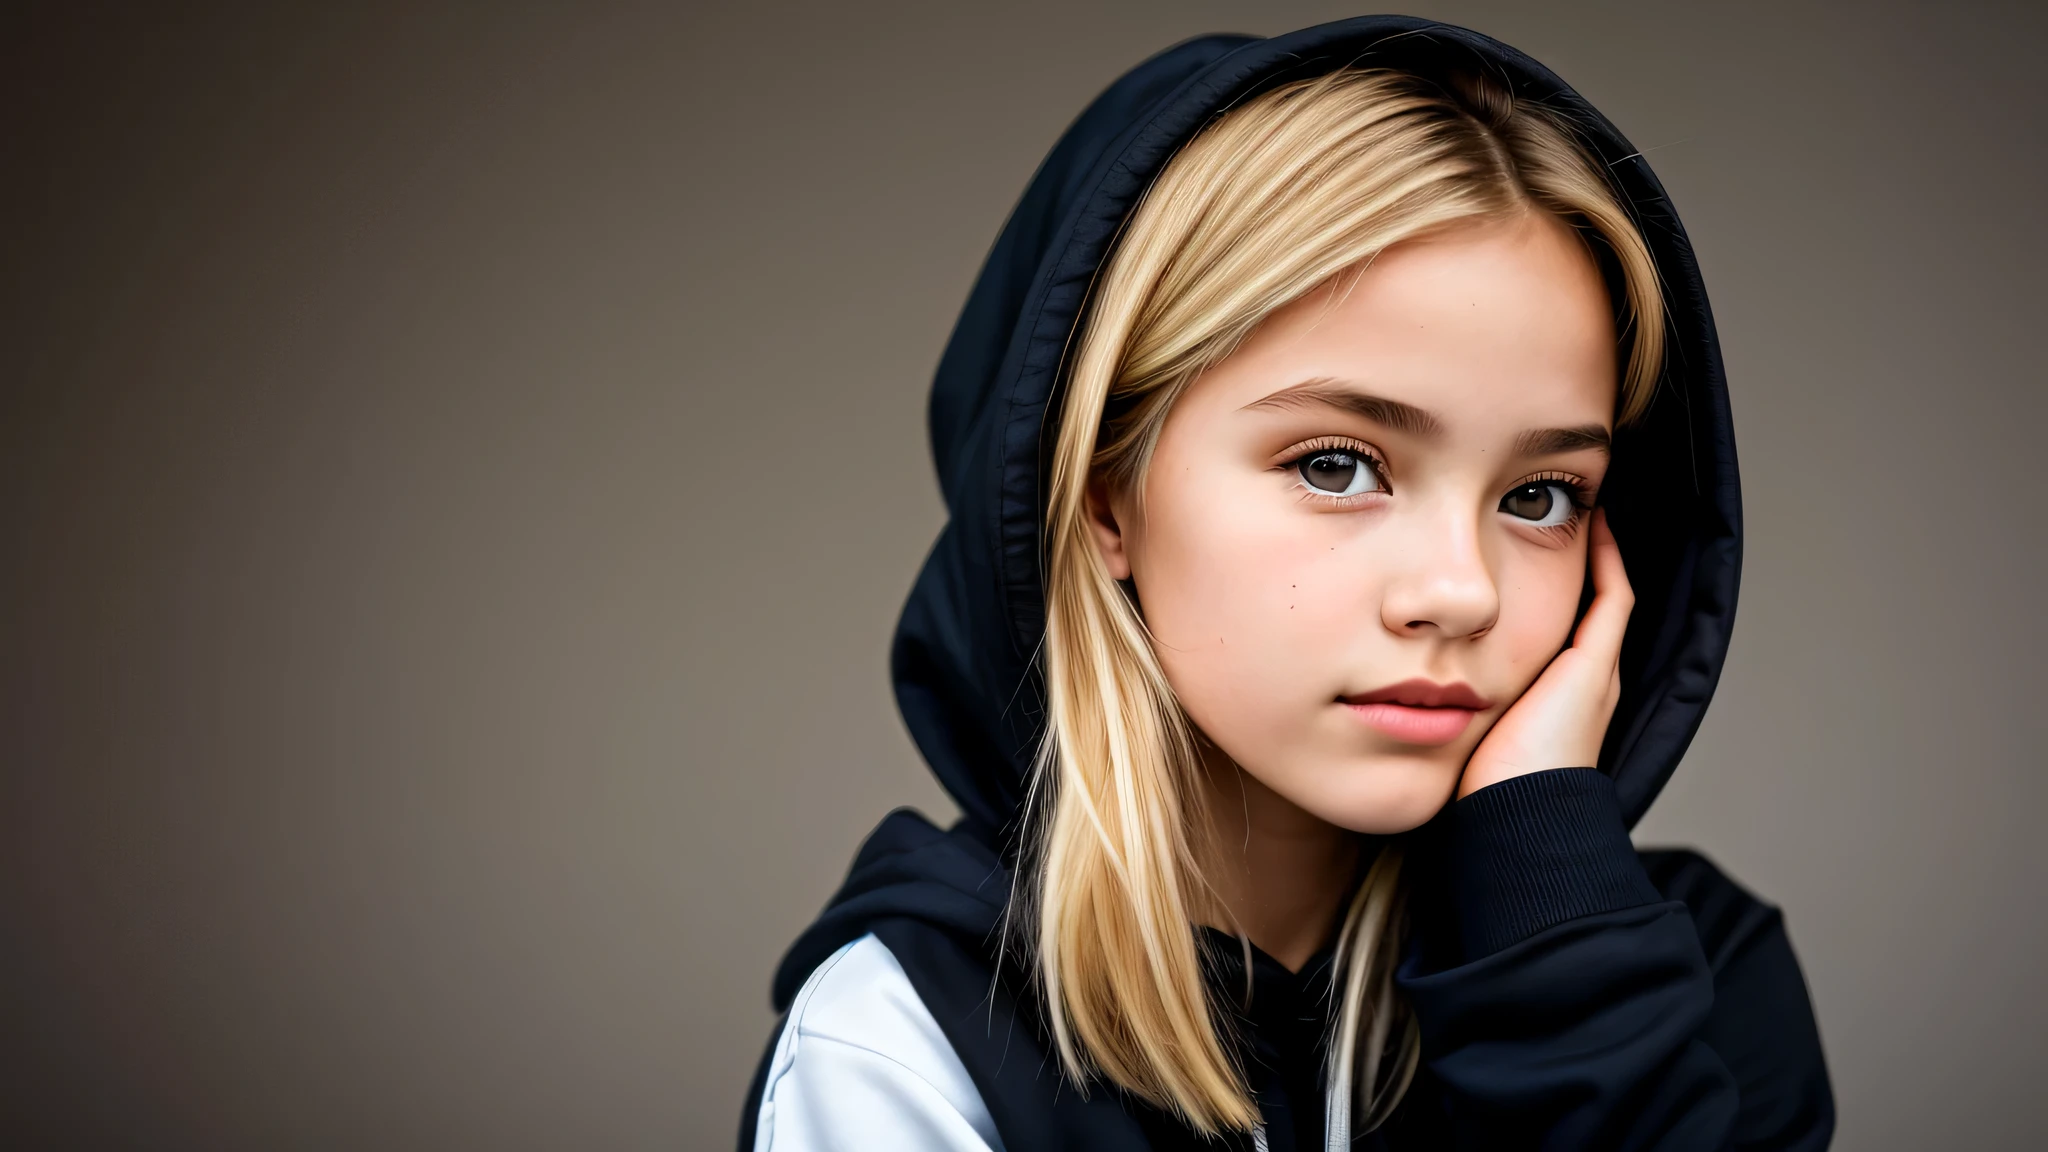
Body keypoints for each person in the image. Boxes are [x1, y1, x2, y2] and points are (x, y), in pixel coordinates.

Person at [740, 15, 1833, 1151]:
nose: (1461, 593)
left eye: (1540, 494)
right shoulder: (904, 1047)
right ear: (1103, 497)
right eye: (1335, 465)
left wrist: (1554, 935)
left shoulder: (1687, 992)